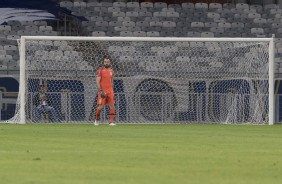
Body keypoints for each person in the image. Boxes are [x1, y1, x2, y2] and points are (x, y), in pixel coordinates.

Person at [94, 56, 116, 126]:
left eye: (107, 62)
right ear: (103, 62)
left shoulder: (112, 71)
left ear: (110, 62)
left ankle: (111, 121)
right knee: (100, 106)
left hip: (110, 91)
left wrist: (112, 90)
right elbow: (97, 81)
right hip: (102, 91)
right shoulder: (100, 70)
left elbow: (111, 81)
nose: (106, 63)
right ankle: (96, 120)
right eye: (105, 62)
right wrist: (100, 90)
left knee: (112, 106)